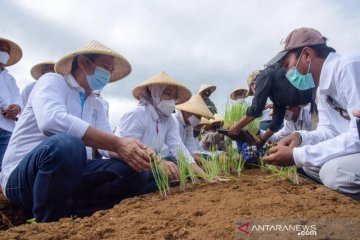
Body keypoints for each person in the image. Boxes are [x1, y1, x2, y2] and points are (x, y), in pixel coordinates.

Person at [1, 40, 151, 222]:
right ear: (83, 62)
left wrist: (136, 151)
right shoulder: (52, 81)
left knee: (135, 170)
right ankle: (49, 223)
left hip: (70, 176)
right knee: (69, 145)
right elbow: (50, 120)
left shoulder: (96, 103)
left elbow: (107, 146)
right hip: (23, 176)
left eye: (110, 71)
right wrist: (118, 144)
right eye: (105, 67)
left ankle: (78, 216)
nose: (108, 74)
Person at [263, 27, 360, 199]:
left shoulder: (349, 67)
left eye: (287, 65)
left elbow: (357, 135)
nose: (287, 73)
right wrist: (300, 137)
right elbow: (329, 131)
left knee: (334, 173)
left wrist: (297, 154)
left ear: (307, 54)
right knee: (310, 166)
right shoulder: (322, 89)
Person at [116, 72, 222, 187]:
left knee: (170, 176)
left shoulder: (168, 120)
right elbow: (131, 151)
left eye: (173, 96)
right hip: (126, 164)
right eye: (167, 93)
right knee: (145, 176)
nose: (171, 100)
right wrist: (159, 163)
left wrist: (207, 177)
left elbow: (179, 149)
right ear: (154, 92)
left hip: (149, 166)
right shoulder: (137, 115)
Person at [229, 66, 313, 146]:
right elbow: (276, 122)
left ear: (254, 85)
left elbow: (256, 109)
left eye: (254, 89)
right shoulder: (278, 97)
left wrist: (237, 127)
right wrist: (262, 140)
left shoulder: (263, 76)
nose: (255, 92)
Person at [0, 37, 23, 171]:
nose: (3, 52)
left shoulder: (10, 79)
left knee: (3, 165)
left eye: (6, 50)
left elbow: (18, 97)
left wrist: (16, 108)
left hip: (8, 128)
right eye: (1, 48)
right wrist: (5, 106)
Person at [172, 94, 215, 164]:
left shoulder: (188, 127)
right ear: (188, 112)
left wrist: (207, 164)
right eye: (198, 116)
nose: (200, 120)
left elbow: (192, 149)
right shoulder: (174, 121)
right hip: (167, 158)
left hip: (181, 157)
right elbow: (177, 151)